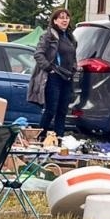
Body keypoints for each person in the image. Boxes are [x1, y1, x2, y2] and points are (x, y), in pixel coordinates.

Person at [27, 7, 78, 141]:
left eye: (66, 17)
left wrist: (74, 68)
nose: (64, 20)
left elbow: (73, 56)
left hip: (67, 78)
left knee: (62, 111)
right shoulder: (48, 36)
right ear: (55, 20)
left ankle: (58, 139)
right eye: (61, 17)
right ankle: (40, 137)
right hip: (53, 77)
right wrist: (49, 68)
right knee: (51, 109)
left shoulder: (70, 37)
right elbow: (38, 54)